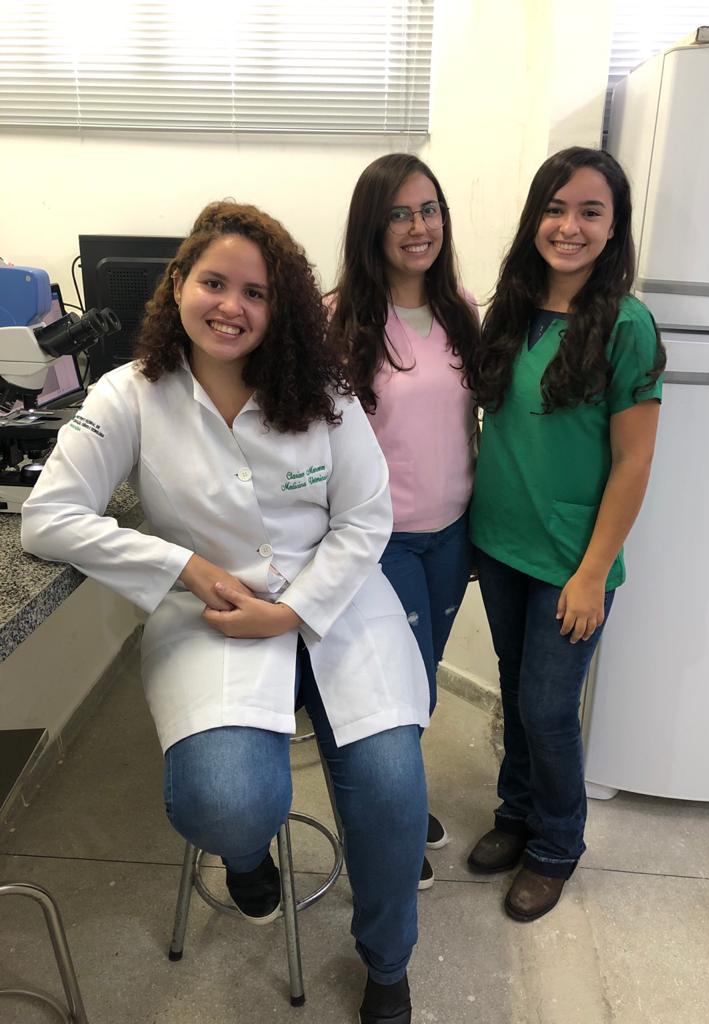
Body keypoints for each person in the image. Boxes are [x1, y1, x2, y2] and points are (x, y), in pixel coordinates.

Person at [21, 200, 430, 1024]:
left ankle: (387, 962)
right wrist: (181, 565)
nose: (231, 306)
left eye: (256, 292)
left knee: (393, 793)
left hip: (340, 603)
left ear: (281, 309)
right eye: (214, 282)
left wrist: (295, 611)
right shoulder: (130, 394)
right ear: (178, 283)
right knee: (224, 800)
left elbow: (365, 519)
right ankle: (248, 860)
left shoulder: (323, 391)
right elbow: (48, 517)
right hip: (210, 614)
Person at [465, 148, 666, 921]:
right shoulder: (511, 308)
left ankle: (556, 844)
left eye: (590, 211)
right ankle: (516, 812)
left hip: (572, 561)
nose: (569, 226)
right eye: (555, 208)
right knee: (519, 693)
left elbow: (634, 462)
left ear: (615, 227)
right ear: (534, 217)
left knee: (548, 709)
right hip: (500, 544)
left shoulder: (627, 325)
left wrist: (592, 573)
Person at [327, 153, 479, 891]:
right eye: (399, 214)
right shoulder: (338, 319)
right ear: (372, 226)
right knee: (395, 695)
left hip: (452, 533)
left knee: (422, 685)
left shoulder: (463, 309)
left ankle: (401, 807)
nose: (419, 227)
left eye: (429, 210)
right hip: (379, 541)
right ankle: (391, 824)